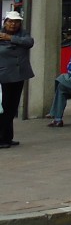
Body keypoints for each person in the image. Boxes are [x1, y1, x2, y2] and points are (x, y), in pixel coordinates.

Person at [0, 10, 35, 149]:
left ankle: (8, 137)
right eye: (10, 21)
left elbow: (29, 42)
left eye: (16, 22)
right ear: (5, 22)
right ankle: (1, 138)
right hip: (4, 76)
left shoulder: (23, 34)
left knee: (12, 107)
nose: (13, 24)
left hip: (19, 75)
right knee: (4, 108)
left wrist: (9, 38)